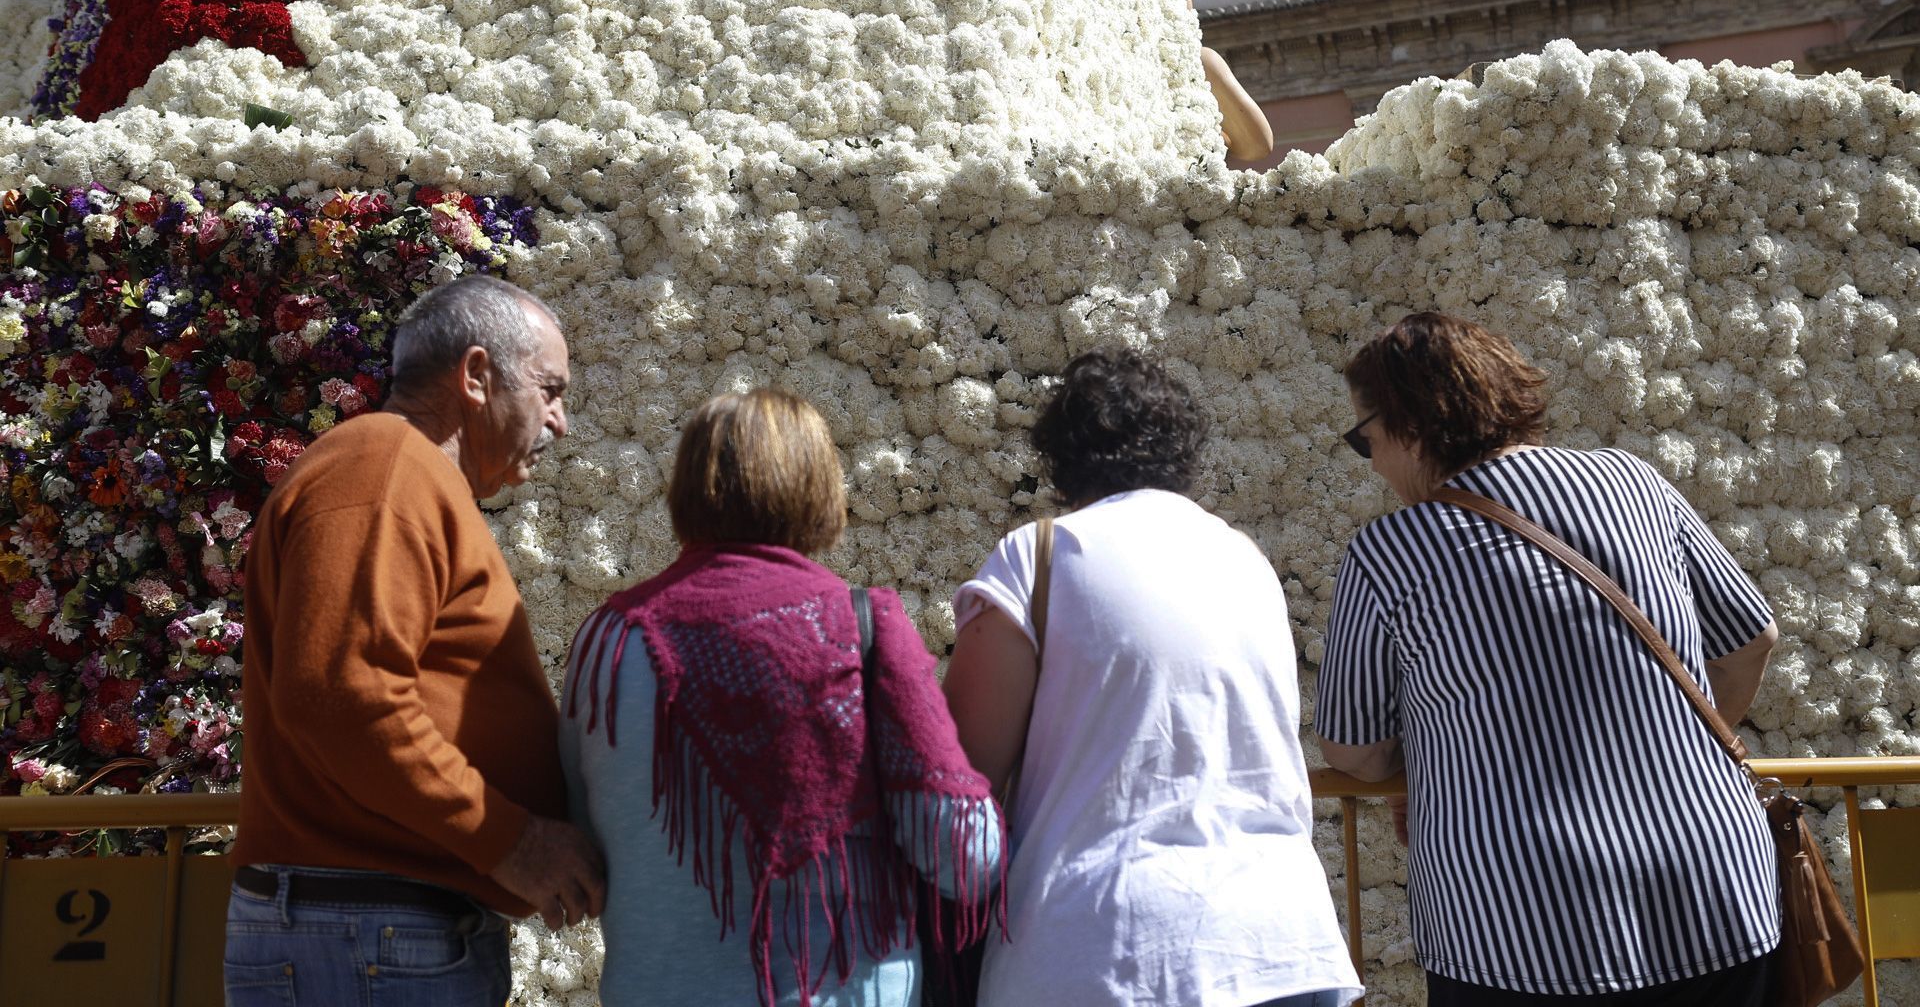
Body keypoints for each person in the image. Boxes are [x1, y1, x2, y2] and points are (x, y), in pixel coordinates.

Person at [1317, 312, 1781, 1007]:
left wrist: (1441, 764)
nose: (1374, 463)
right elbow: (1751, 640)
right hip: (1714, 891)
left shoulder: (1390, 553)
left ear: (1410, 427)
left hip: (1523, 927)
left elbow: (1354, 750)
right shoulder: (1635, 484)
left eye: (1365, 439)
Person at [225, 274, 606, 1006]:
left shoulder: (402, 473)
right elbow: (340, 695)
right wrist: (512, 843)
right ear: (474, 375)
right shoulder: (385, 465)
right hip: (368, 933)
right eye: (549, 389)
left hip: (372, 932)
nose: (560, 423)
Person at [943, 347, 1363, 1007]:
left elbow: (960, 776)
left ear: (1061, 459)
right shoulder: (1243, 560)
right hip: (1282, 942)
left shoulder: (1042, 556)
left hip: (1108, 949)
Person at [560, 387, 1003, 1007]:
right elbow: (962, 854)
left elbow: (586, 849)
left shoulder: (608, 642)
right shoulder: (860, 630)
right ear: (819, 486)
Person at [1182, 0, 1276, 165]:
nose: (1190, 3)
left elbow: (1259, 145)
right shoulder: (1199, 62)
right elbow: (1259, 145)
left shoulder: (1199, 62)